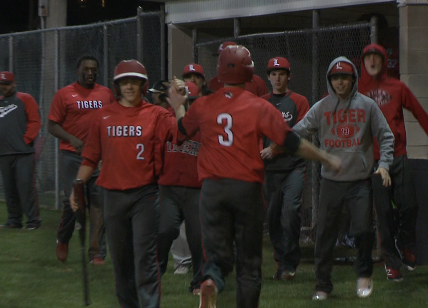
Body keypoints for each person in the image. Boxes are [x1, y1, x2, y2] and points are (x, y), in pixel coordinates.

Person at [167, 45, 341, 308]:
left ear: (219, 72)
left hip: (212, 190)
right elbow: (292, 142)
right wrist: (326, 158)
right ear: (250, 72)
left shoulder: (203, 104)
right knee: (248, 265)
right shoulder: (258, 106)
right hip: (245, 189)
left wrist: (179, 105)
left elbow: (180, 133)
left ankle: (211, 280)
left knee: (217, 256)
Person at [70, 59, 176, 308]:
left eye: (134, 82)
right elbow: (91, 156)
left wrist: (179, 107)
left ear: (142, 85)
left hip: (145, 196)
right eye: (125, 82)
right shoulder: (102, 116)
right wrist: (78, 184)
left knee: (145, 260)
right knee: (121, 263)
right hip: (113, 195)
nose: (130, 86)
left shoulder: (156, 114)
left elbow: (181, 133)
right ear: (117, 85)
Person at [293, 57, 394, 300]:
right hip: (330, 181)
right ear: (330, 80)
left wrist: (385, 164)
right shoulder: (321, 108)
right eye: (335, 78)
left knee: (362, 231)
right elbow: (297, 132)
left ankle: (364, 275)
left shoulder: (368, 106)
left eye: (345, 77)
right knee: (324, 235)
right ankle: (322, 286)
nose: (340, 82)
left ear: (353, 79)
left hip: (359, 181)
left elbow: (386, 135)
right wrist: (277, 137)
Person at [358, 43, 428, 281]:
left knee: (410, 205)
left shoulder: (397, 87)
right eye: (368, 59)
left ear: (384, 61)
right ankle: (391, 261)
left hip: (398, 155)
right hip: (375, 160)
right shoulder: (357, 90)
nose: (373, 62)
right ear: (363, 63)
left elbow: (419, 112)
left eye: (377, 58)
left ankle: (406, 245)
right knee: (384, 212)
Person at [48, 55, 113, 265]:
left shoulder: (106, 93)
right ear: (78, 71)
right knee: (72, 202)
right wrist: (70, 137)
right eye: (86, 69)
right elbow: (52, 125)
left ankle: (96, 252)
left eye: (94, 69)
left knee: (99, 203)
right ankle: (64, 238)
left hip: (98, 158)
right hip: (72, 156)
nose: (91, 72)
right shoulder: (64, 94)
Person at [260, 57, 310, 280]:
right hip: (269, 170)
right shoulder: (261, 103)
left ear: (289, 76)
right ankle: (281, 262)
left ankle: (290, 263)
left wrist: (275, 149)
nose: (277, 77)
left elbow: (300, 134)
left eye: (282, 73)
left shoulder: (299, 101)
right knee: (272, 218)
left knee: (289, 213)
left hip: (293, 167)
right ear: (268, 77)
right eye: (273, 73)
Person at [0, 71, 42, 230]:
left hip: (23, 152)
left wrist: (25, 140)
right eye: (2, 85)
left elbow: (35, 121)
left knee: (26, 187)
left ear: (14, 84)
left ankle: (33, 221)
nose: (4, 88)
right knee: (9, 188)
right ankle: (14, 221)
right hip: (4, 153)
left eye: (7, 84)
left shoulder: (25, 98)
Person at [157, 81, 203, 294]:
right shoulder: (165, 120)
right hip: (169, 189)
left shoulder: (204, 124)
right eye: (186, 102)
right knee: (166, 229)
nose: (189, 106)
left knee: (197, 237)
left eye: (192, 102)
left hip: (195, 189)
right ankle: (155, 272)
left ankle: (198, 281)